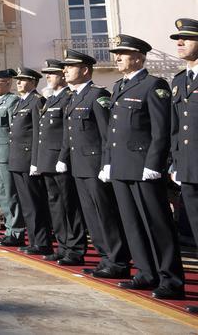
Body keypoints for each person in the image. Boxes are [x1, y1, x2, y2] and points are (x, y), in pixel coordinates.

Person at [104, 34, 184, 299]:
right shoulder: (119, 86)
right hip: (121, 167)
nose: (117, 58)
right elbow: (112, 132)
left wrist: (154, 164)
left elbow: (162, 130)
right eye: (117, 54)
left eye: (122, 54)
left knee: (156, 223)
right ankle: (146, 272)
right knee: (132, 224)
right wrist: (108, 163)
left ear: (138, 57)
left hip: (142, 167)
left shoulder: (153, 85)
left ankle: (170, 279)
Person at [60, 49, 130, 273]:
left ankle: (117, 260)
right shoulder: (74, 98)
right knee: (91, 215)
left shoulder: (97, 96)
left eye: (70, 67)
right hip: (79, 165)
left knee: (105, 214)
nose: (65, 71)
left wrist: (106, 164)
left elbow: (106, 134)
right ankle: (104, 258)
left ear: (84, 70)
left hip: (95, 166)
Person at [34, 58, 86, 263]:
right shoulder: (52, 99)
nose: (48, 76)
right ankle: (63, 245)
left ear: (63, 76)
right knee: (56, 205)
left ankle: (75, 248)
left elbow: (67, 132)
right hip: (48, 159)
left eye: (53, 73)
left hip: (60, 160)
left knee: (69, 205)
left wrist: (63, 157)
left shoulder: (68, 97)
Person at [169, 18, 198, 313]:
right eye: (178, 39)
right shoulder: (180, 81)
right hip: (189, 169)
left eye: (186, 38)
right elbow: (176, 128)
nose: (179, 42)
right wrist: (175, 162)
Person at [10, 67, 53, 256]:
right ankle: (34, 240)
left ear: (34, 82)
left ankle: (42, 242)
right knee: (27, 204)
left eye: (23, 79)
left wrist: (36, 161)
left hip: (29, 160)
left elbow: (38, 133)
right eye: (18, 80)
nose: (18, 82)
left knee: (35, 204)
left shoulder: (36, 101)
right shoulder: (21, 102)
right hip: (18, 159)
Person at [0, 69, 25, 247]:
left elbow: (13, 131)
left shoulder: (12, 101)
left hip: (5, 155)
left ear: (9, 83)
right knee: (1, 195)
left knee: (11, 194)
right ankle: (9, 230)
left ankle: (16, 231)